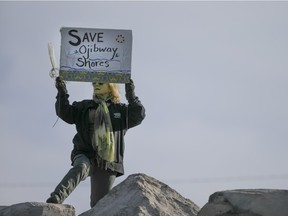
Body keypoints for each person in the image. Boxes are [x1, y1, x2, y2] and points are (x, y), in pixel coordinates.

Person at [46, 77, 145, 207]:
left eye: (100, 83)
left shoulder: (120, 110)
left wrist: (130, 93)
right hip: (85, 152)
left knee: (99, 204)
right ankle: (56, 198)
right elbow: (64, 112)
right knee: (81, 167)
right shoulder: (84, 106)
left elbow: (138, 115)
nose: (96, 85)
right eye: (94, 83)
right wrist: (62, 91)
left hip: (108, 161)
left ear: (110, 86)